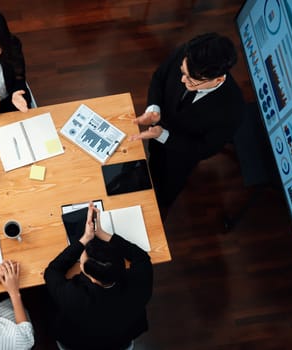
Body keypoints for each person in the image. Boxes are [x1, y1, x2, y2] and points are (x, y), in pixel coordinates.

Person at [129, 32, 245, 211]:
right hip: (156, 138)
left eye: (192, 80)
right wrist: (154, 108)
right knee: (149, 169)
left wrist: (165, 136)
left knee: (160, 199)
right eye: (183, 72)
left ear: (218, 79)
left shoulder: (232, 110)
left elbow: (203, 149)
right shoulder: (187, 55)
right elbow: (159, 77)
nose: (183, 80)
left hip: (178, 160)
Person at [44, 202, 153, 350]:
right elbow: (141, 258)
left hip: (78, 343)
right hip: (120, 341)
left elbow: (52, 271)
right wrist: (101, 233)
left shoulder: (74, 297)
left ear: (92, 277)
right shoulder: (138, 284)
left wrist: (84, 240)